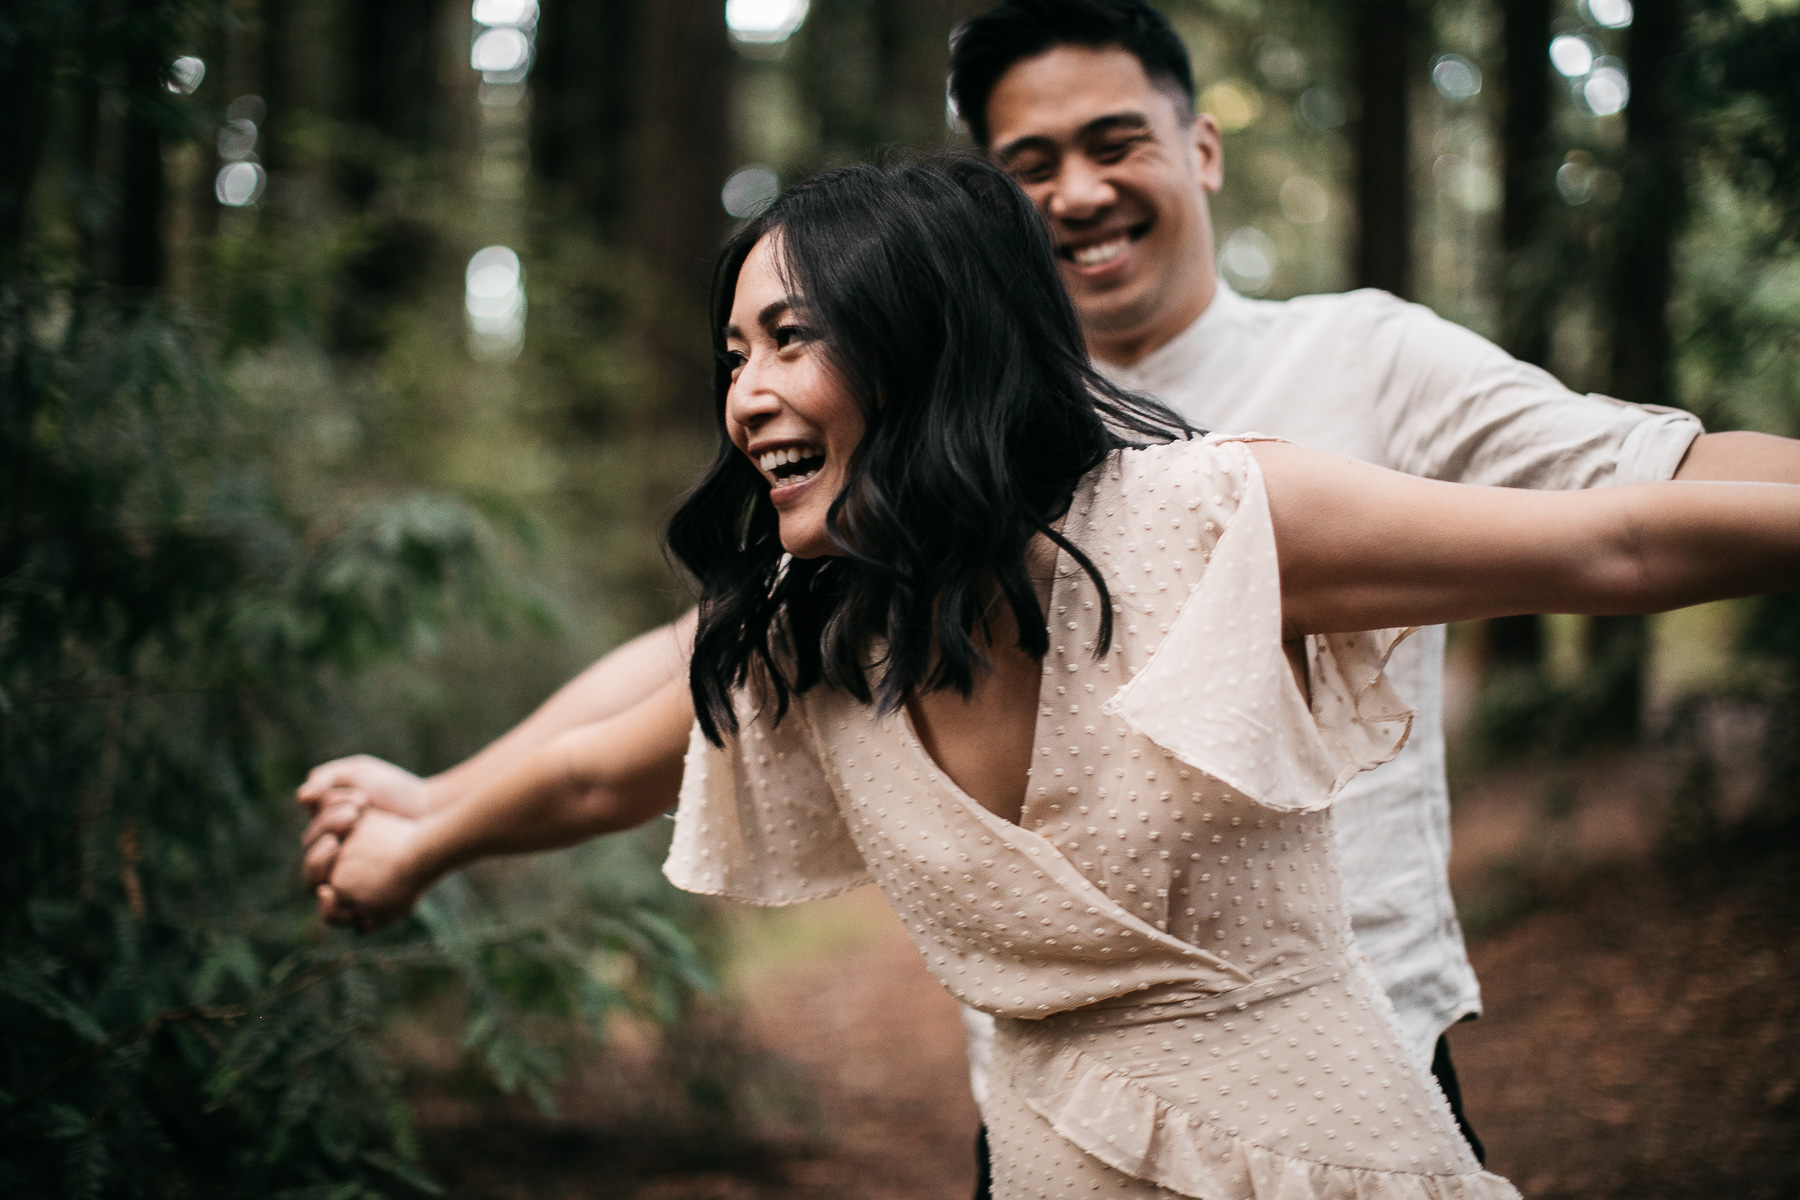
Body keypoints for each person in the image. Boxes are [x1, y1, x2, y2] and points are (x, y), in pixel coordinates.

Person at [301, 0, 1800, 1182]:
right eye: (1031, 165)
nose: (1077, 191)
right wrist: (434, 813)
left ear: (1199, 148)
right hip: (1047, 1135)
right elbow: (646, 709)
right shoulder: (848, 589)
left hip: (1337, 1077)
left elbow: (1627, 518)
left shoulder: (1277, 444)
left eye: (1113, 141)